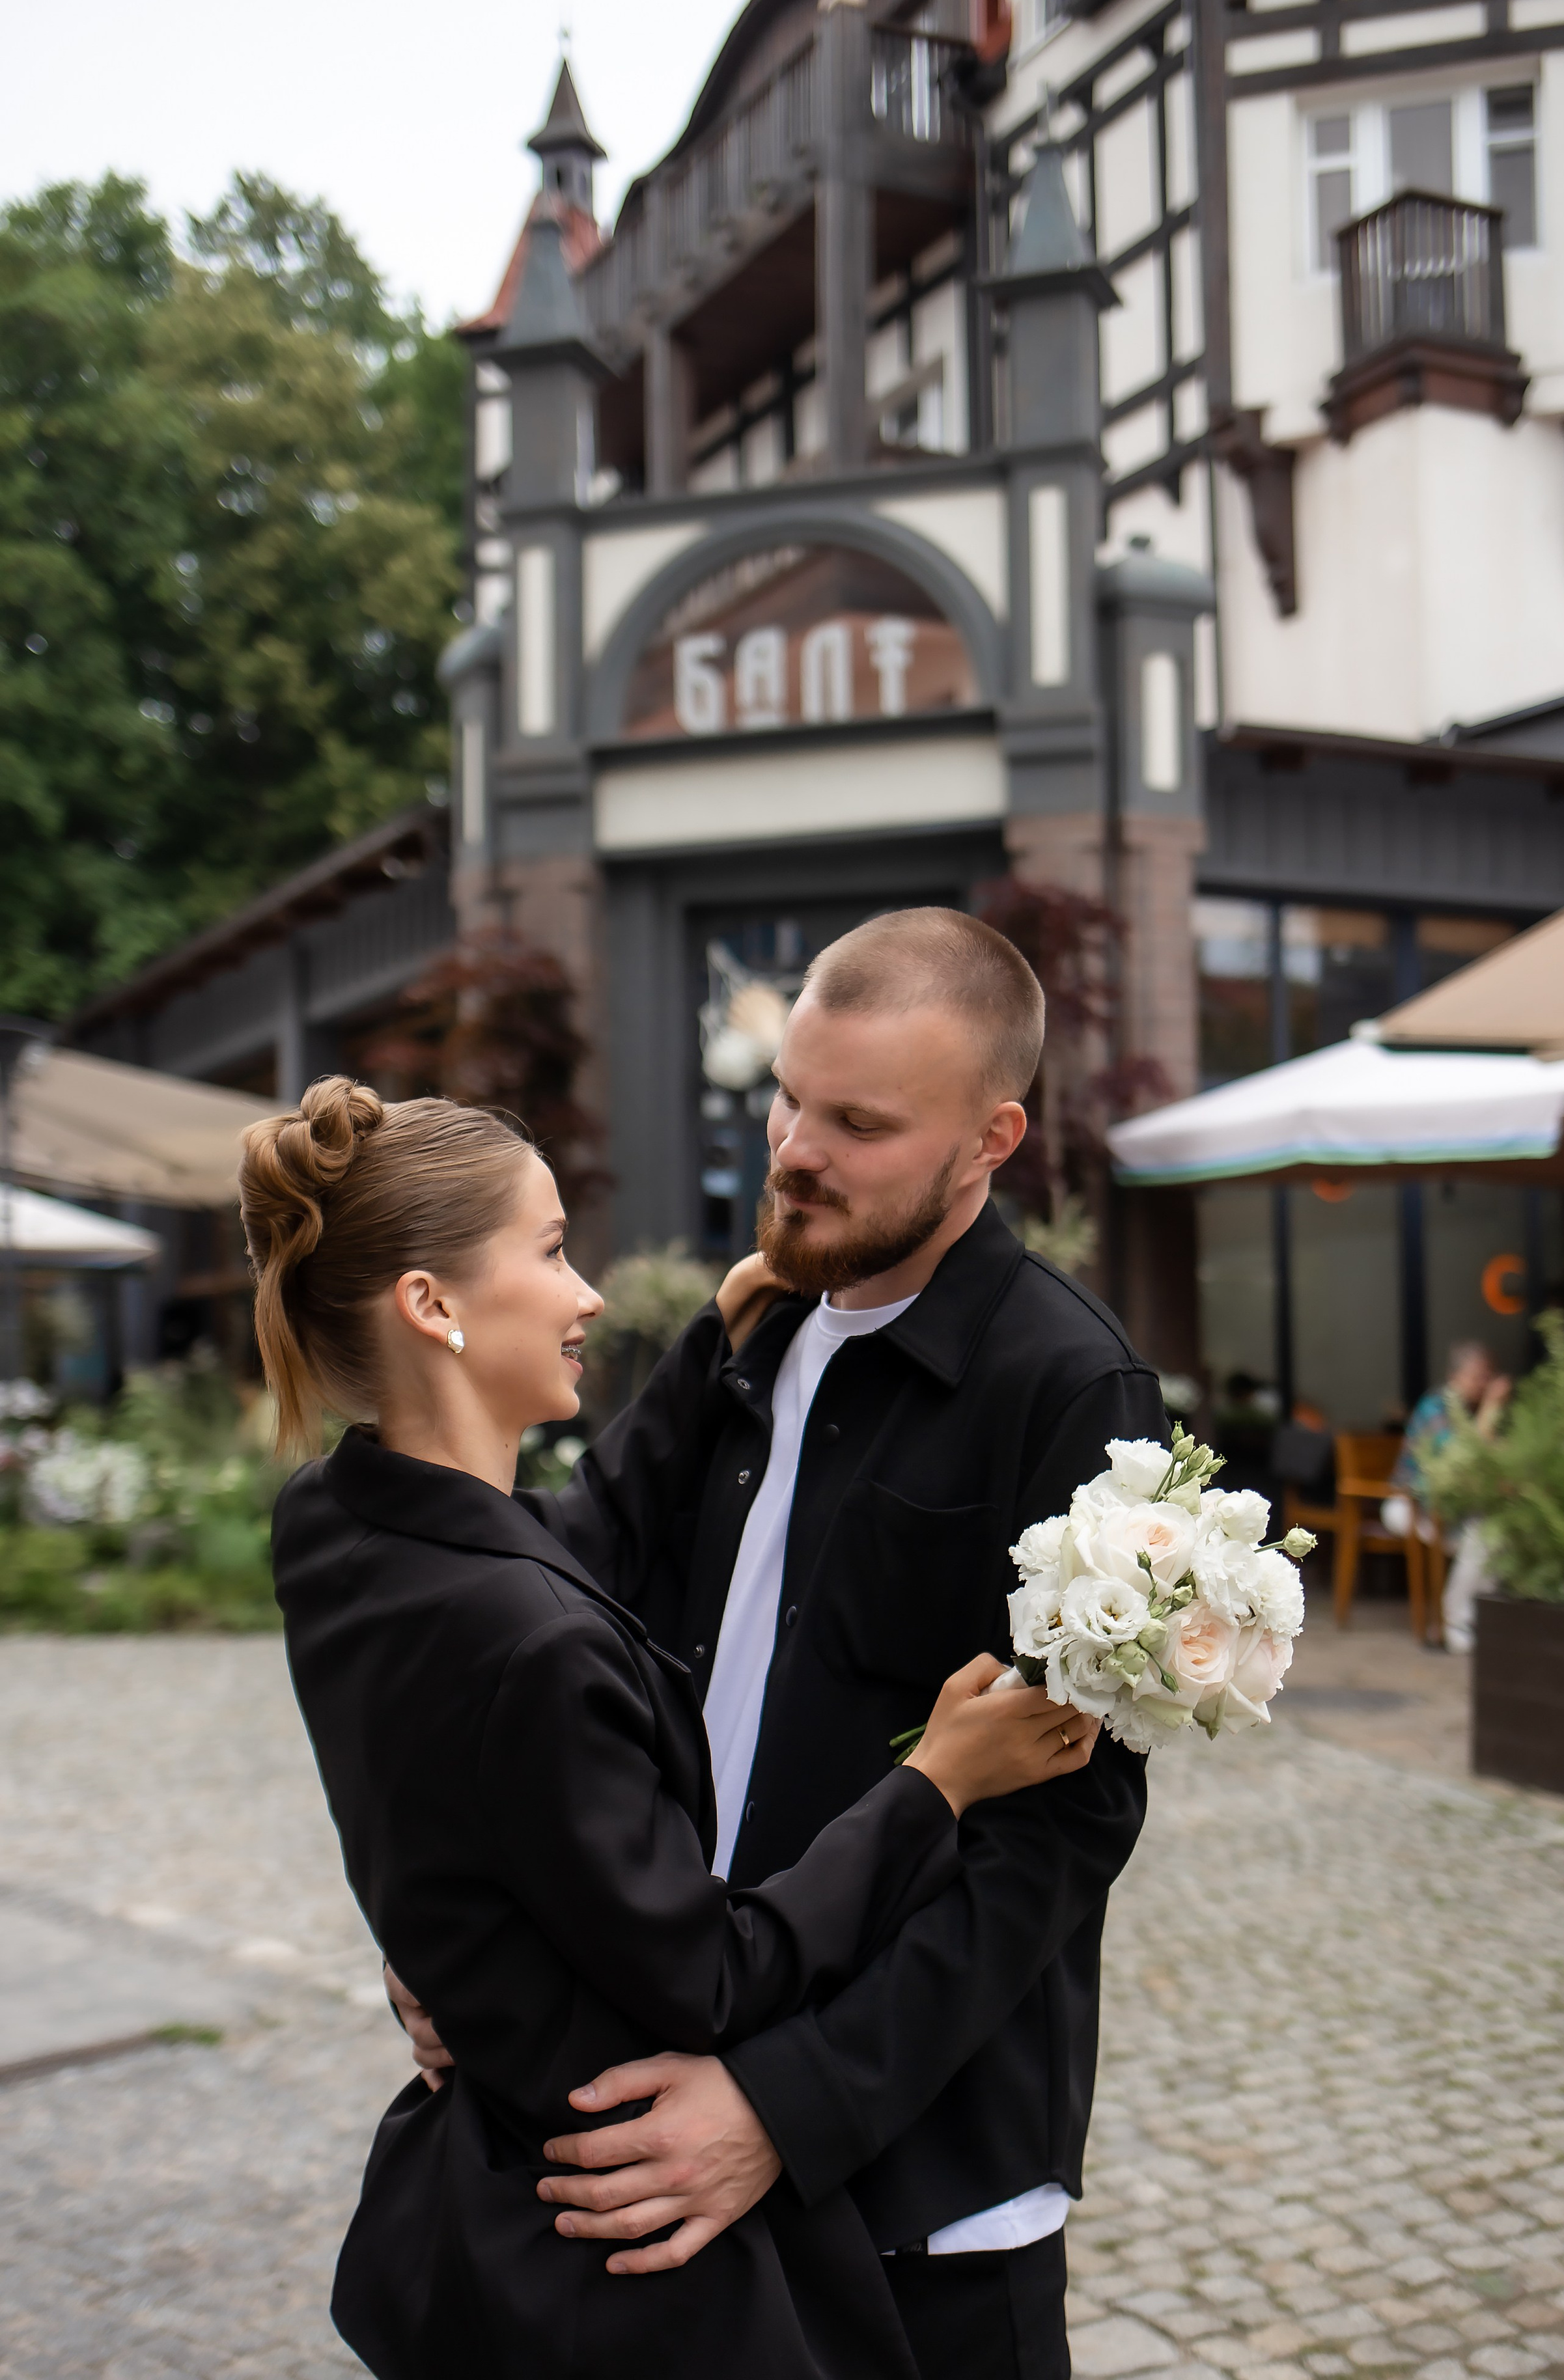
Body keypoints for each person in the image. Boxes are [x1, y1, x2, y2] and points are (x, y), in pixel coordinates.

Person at [393, 907, 1166, 2380]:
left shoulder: (1065, 1386)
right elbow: (564, 1657)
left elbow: (1052, 1844)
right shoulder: (753, 1338)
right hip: (664, 2161)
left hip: (917, 2215)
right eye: (786, 1095)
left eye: (858, 1122)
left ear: (990, 1137)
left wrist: (780, 2104)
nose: (794, 1147)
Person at [244, 1077, 1098, 2380]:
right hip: (617, 2271)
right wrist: (932, 1785)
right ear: (431, 1306)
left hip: (472, 2224)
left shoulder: (331, 1525)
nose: (587, 1294)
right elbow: (712, 1971)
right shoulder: (527, 1644)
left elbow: (566, 1539)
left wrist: (709, 1350)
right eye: (547, 1252)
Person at [1384, 1339, 1511, 1652]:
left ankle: (1473, 1620)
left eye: (1487, 1377)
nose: (1484, 1386)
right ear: (1456, 1376)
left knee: (1499, 1535)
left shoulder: (1471, 1412)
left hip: (1454, 1508)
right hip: (1411, 1506)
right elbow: (1461, 1459)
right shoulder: (1436, 1407)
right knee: (1482, 1537)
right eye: (1478, 1377)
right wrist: (1493, 1409)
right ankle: (1455, 1624)